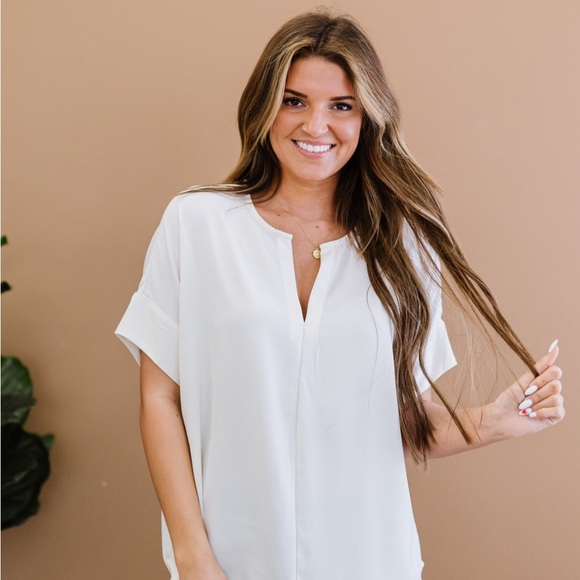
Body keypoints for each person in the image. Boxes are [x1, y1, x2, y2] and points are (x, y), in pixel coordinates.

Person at [115, 10, 565, 580]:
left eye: (342, 106)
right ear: (264, 106)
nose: (316, 125)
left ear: (367, 118)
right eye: (295, 100)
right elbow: (161, 399)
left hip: (370, 560)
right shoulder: (196, 224)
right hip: (230, 560)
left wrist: (493, 421)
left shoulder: (403, 245)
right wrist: (193, 556)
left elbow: (403, 424)